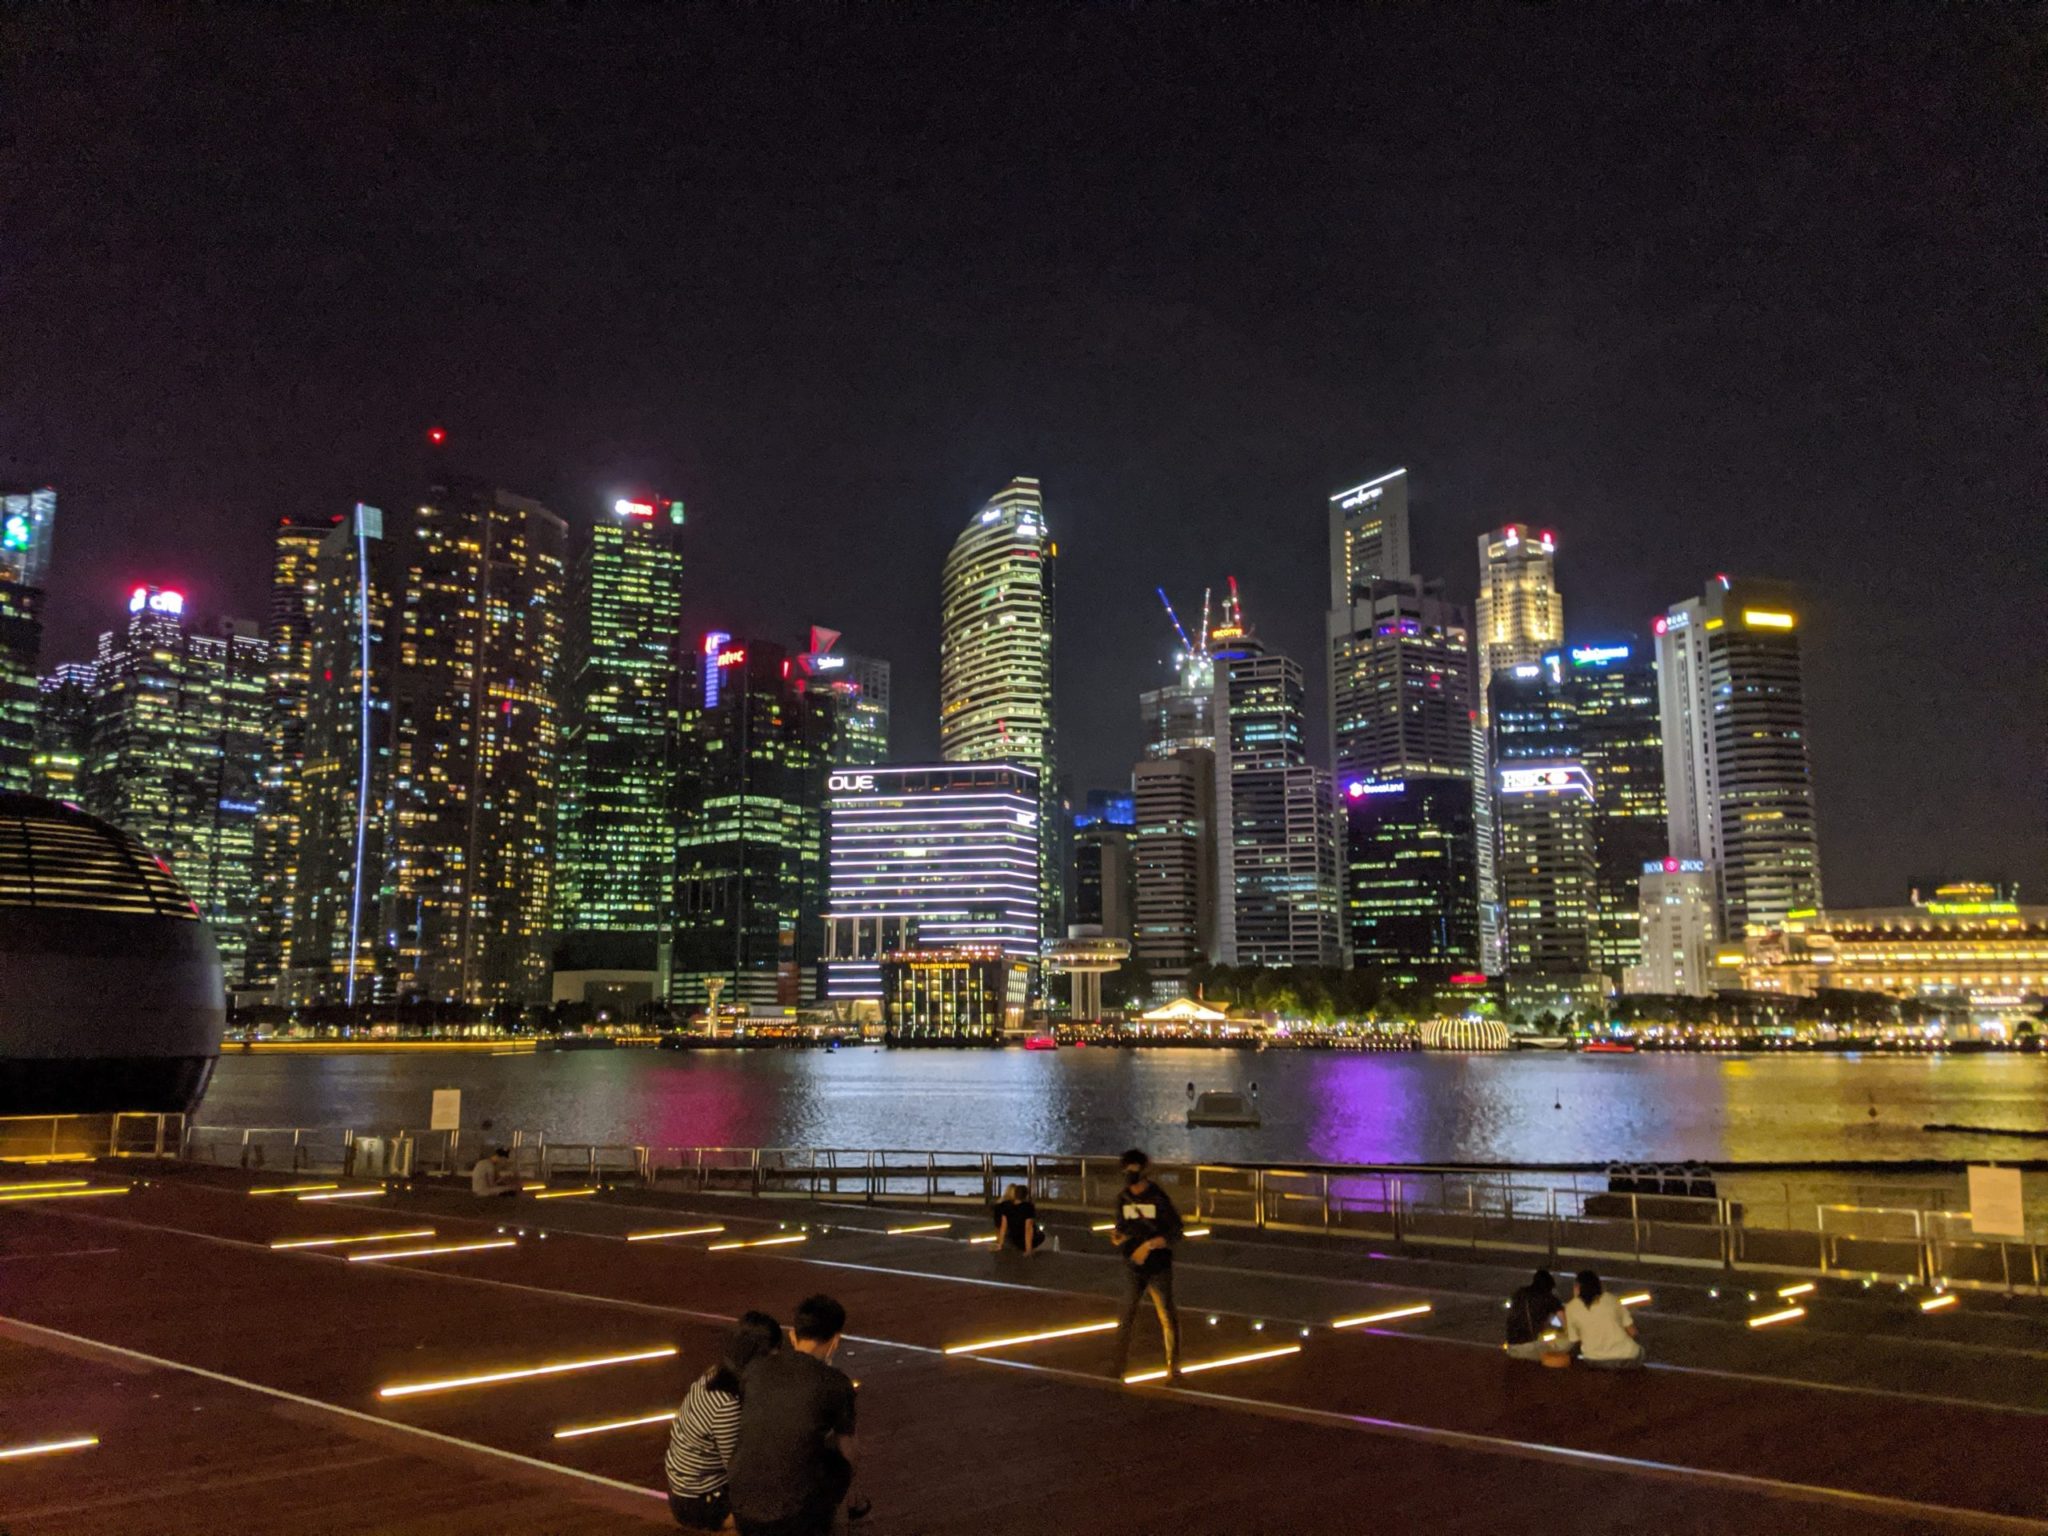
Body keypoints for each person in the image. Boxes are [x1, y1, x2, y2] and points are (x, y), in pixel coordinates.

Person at [726, 1294, 858, 1536]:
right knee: (838, 1463)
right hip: (793, 1517)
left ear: (793, 1335)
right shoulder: (835, 1383)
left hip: (741, 1505)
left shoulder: (756, 1369)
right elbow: (847, 1449)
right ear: (835, 1341)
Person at [665, 1312, 783, 1530]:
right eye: (773, 1357)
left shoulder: (715, 1375)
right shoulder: (727, 1403)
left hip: (685, 1489)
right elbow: (738, 1469)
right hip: (700, 1499)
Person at [1109, 1147, 1182, 1380]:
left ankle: (1173, 1366)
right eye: (1126, 1172)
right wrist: (1119, 1236)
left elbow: (1175, 1231)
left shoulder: (1158, 1198)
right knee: (1126, 1315)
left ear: (1143, 1172)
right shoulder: (1123, 1199)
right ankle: (1118, 1365)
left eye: (1133, 1171)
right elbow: (1122, 1226)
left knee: (1166, 1315)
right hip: (1133, 1265)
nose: (1129, 1176)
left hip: (1158, 1265)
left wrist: (1149, 1245)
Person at [1563, 1269, 1644, 1368]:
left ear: (1577, 1287)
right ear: (1599, 1285)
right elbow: (1632, 1331)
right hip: (1625, 1358)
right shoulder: (1612, 1299)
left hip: (1593, 1360)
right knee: (1640, 1351)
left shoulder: (1571, 1307)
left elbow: (1574, 1339)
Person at [1503, 1268, 1563, 1360]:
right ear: (1550, 1286)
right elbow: (1563, 1321)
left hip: (1511, 1346)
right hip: (1530, 1348)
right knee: (1559, 1347)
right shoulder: (1549, 1298)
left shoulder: (1519, 1292)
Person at [992, 1183, 1039, 1255]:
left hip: (1010, 1238)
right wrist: (1028, 1249)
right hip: (1021, 1240)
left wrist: (1000, 1244)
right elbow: (1028, 1229)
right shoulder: (1028, 1207)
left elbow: (1003, 1226)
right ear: (1026, 1195)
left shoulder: (1006, 1206)